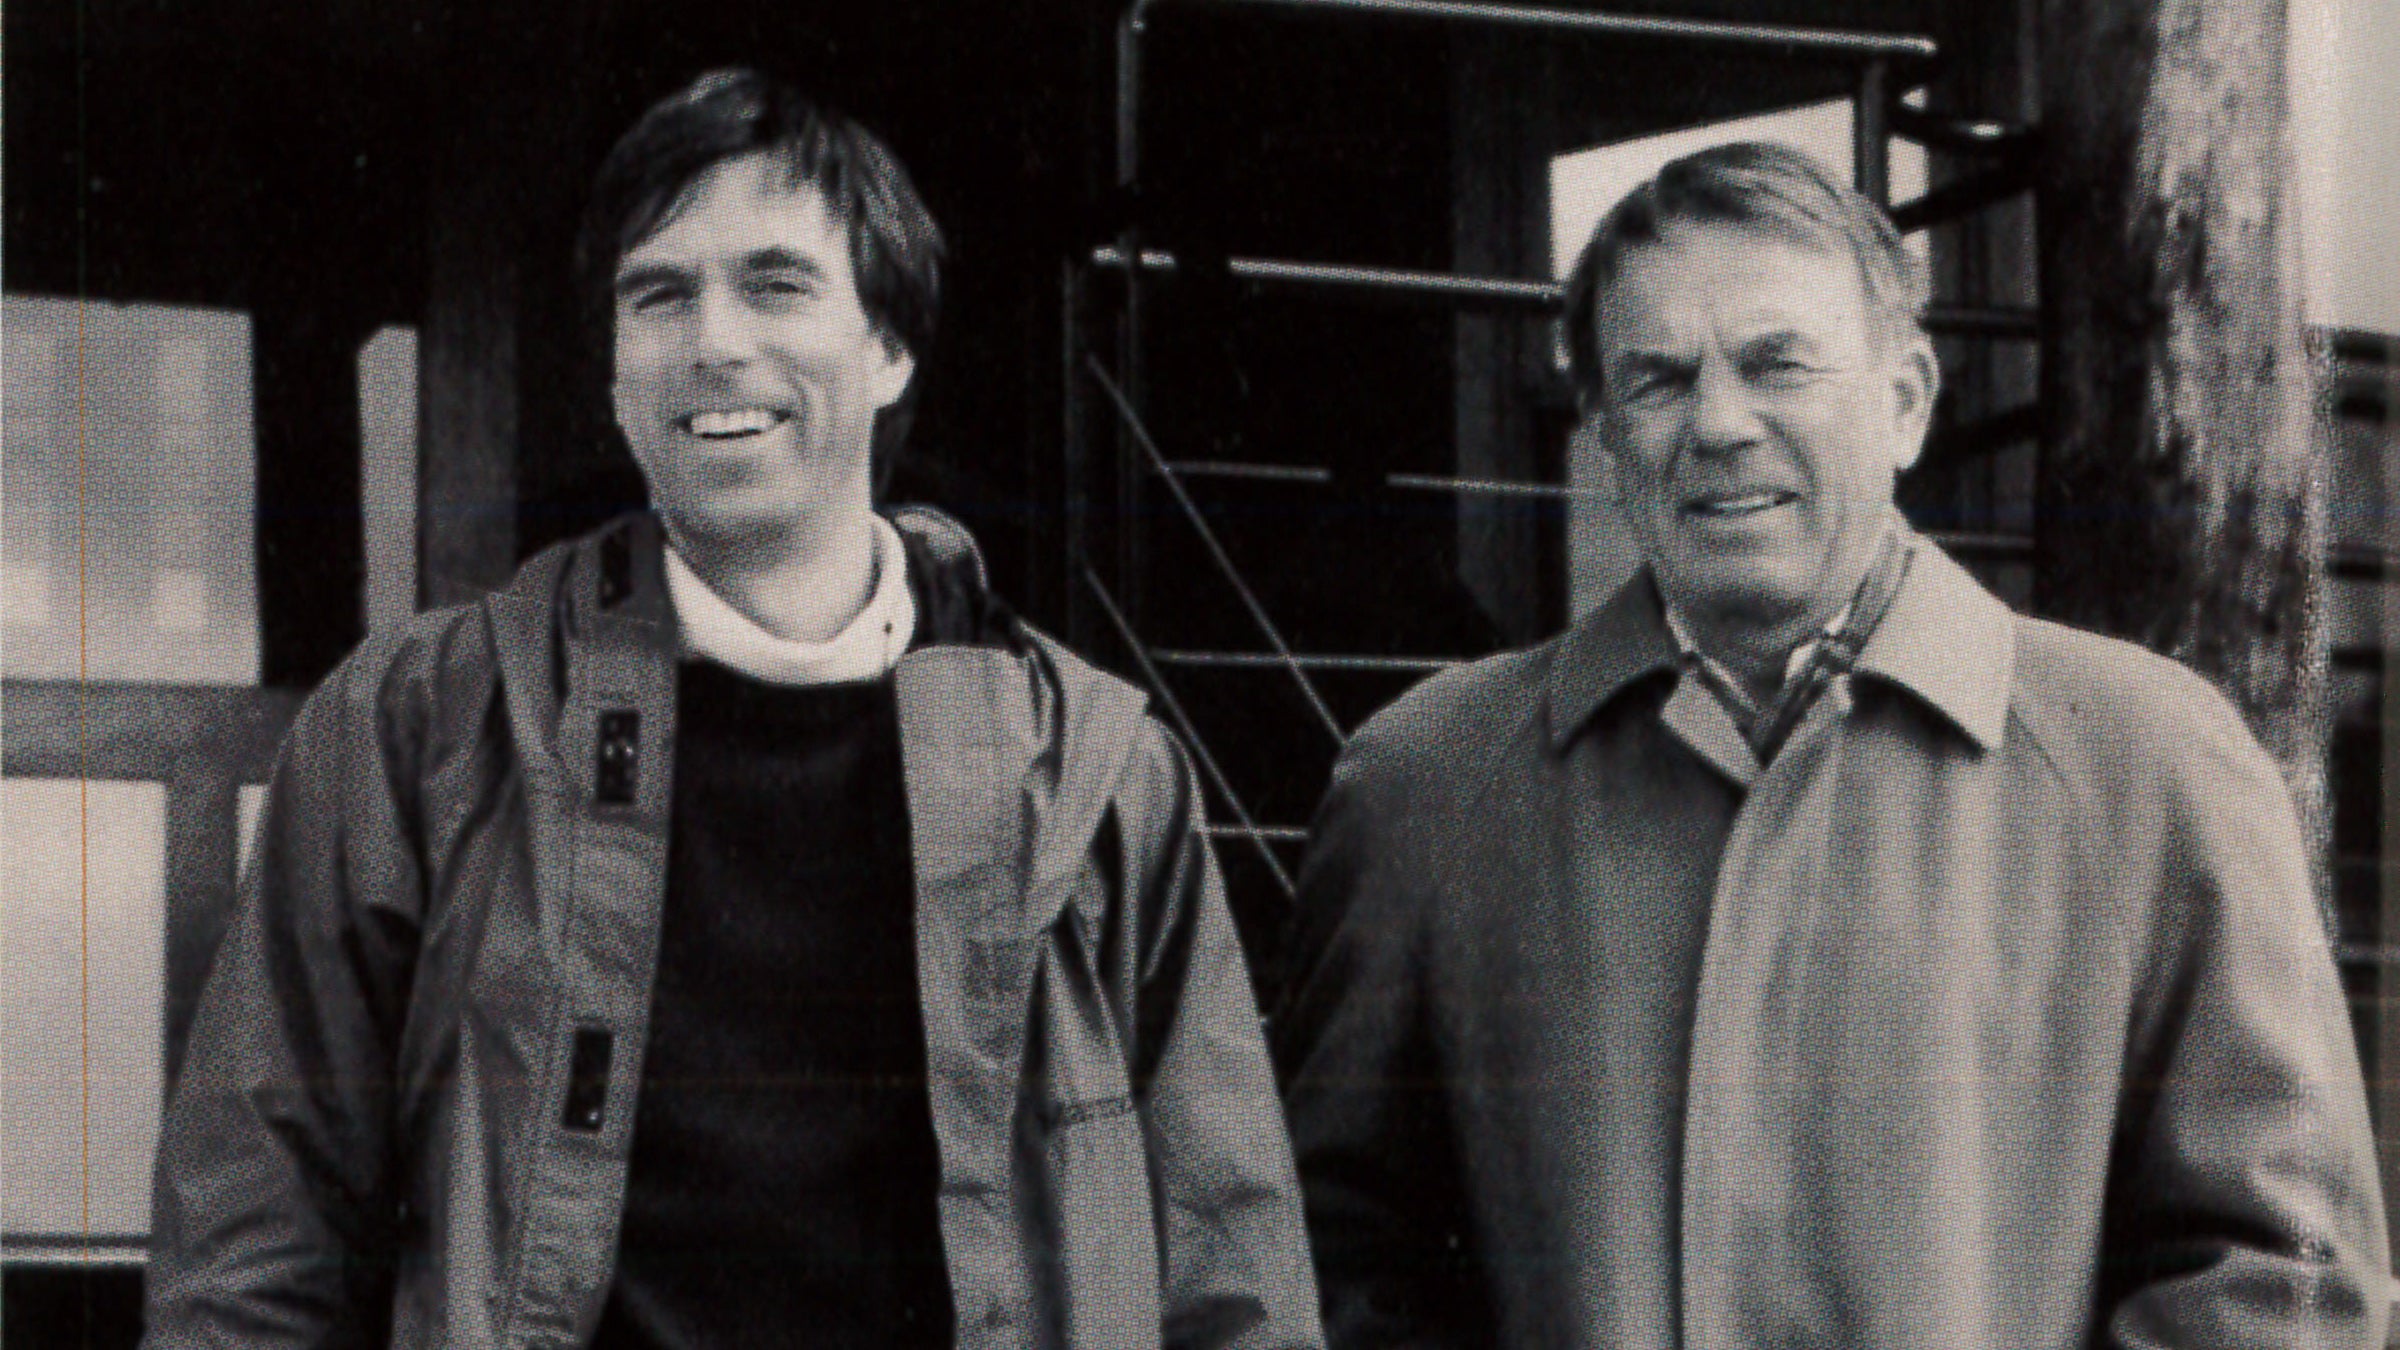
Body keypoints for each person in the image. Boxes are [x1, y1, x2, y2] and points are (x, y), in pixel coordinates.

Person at [146, 69, 1322, 1350]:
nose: (715, 341)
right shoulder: (416, 727)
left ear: (889, 348)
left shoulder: (1098, 771)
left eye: (777, 283)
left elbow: (1235, 1274)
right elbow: (254, 1250)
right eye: (659, 294)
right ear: (611, 372)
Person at [1273, 140, 2387, 1349]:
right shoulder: (1424, 787)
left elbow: (2286, 1279)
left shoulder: (2151, 766)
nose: (1719, 425)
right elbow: (1323, 1262)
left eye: (1778, 365)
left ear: (1907, 399)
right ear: (1599, 428)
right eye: (1656, 380)